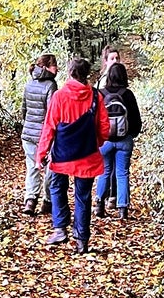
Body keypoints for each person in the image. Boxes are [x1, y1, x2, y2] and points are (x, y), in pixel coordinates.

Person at [36, 56, 110, 253]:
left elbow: (49, 127)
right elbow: (104, 127)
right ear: (87, 74)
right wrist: (96, 142)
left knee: (57, 187)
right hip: (87, 156)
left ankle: (60, 228)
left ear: (69, 73)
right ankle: (82, 240)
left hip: (62, 155)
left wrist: (41, 154)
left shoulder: (60, 96)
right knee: (83, 197)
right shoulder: (96, 96)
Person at [96, 61, 142, 220]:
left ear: (108, 76)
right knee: (122, 173)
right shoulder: (128, 94)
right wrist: (131, 135)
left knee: (104, 171)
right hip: (124, 140)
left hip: (105, 141)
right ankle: (122, 209)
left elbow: (95, 119)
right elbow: (136, 120)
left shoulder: (100, 94)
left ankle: (99, 205)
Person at [19, 53, 58, 216]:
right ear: (46, 67)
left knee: (32, 168)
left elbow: (23, 110)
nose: (57, 68)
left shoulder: (29, 84)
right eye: (54, 65)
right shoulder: (51, 85)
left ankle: (30, 200)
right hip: (44, 136)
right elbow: (52, 113)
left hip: (28, 134)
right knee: (50, 168)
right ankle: (47, 201)